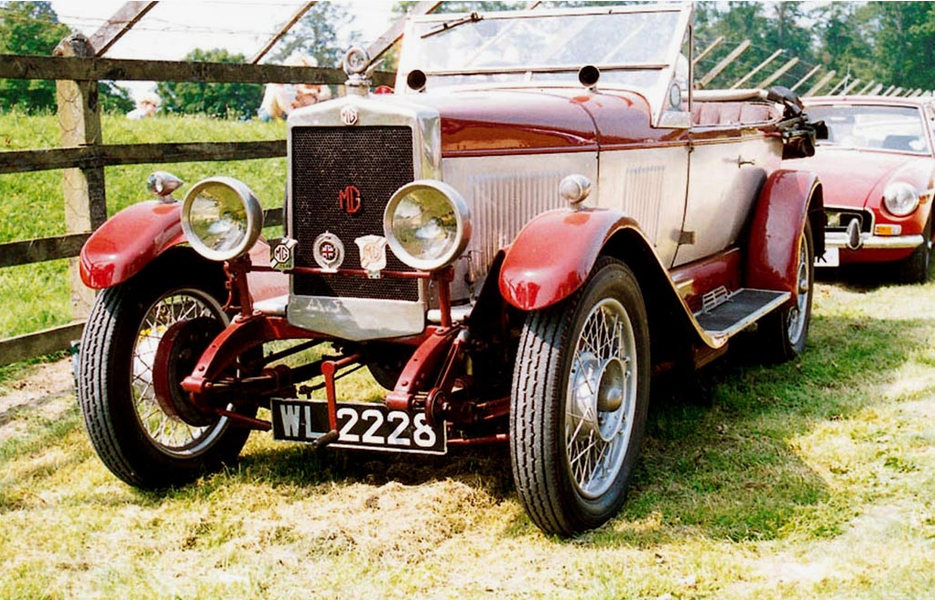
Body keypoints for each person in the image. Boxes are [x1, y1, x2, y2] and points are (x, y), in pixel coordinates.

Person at [258, 54, 332, 121]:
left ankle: (299, 117)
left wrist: (315, 96)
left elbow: (326, 93)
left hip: (287, 113)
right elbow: (279, 94)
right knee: (279, 91)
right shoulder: (280, 81)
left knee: (309, 97)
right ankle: (295, 118)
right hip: (269, 112)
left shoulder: (313, 82)